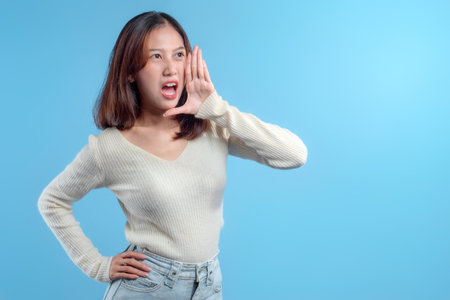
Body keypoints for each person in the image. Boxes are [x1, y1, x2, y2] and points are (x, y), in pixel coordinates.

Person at [37, 10, 308, 300]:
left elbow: (294, 154)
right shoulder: (110, 148)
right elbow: (52, 201)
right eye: (156, 57)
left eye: (179, 55)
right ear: (130, 71)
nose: (171, 69)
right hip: (146, 286)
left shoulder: (211, 127)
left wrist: (217, 108)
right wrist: (97, 266)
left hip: (207, 285)